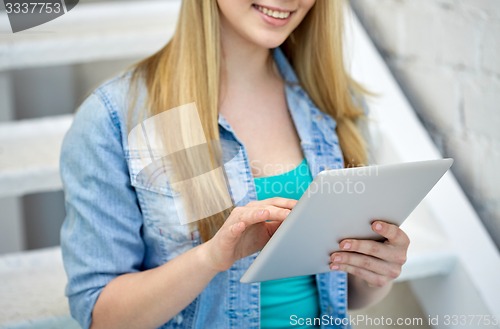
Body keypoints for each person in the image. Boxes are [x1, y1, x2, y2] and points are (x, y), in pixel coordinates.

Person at [60, 0, 410, 328]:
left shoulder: (335, 101)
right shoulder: (116, 118)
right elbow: (101, 316)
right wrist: (211, 258)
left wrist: (374, 272)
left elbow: (346, 294)